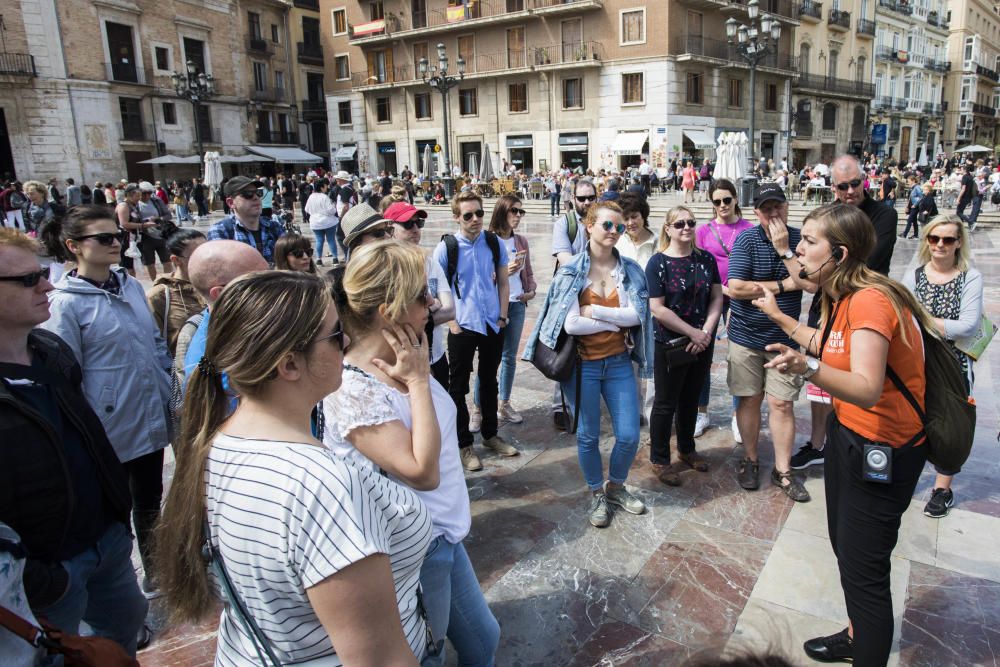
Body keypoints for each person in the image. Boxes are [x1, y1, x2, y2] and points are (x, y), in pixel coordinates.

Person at [156, 270, 433, 665]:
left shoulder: (217, 443)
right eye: (336, 336)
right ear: (289, 365)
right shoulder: (320, 485)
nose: (349, 342)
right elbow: (380, 658)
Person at [752, 203, 933, 666]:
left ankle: (865, 645)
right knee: (846, 551)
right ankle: (856, 633)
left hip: (884, 449)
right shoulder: (840, 294)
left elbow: (867, 387)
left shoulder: (870, 300)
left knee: (865, 571)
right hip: (849, 437)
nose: (799, 247)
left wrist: (807, 366)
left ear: (840, 252)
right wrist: (785, 323)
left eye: (810, 241)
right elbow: (830, 345)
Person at [326, 241, 500, 667]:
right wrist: (420, 384)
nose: (431, 304)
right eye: (421, 296)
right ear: (388, 310)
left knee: (483, 640)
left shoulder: (405, 357)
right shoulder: (352, 389)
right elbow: (421, 471)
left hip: (443, 535)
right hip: (413, 550)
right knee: (429, 653)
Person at [0, 228, 148, 656]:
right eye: (28, 280)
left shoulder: (49, 352)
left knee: (120, 640)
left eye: (42, 274)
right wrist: (43, 578)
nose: (47, 285)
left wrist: (119, 521)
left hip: (107, 543)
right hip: (45, 574)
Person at [38, 205, 172, 603]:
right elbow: (65, 370)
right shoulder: (65, 303)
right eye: (104, 238)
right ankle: (121, 592)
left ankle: (157, 572)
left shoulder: (128, 284)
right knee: (115, 509)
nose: (116, 243)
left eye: (118, 236)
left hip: (148, 409)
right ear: (74, 247)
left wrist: (164, 378)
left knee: (149, 498)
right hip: (107, 425)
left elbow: (153, 340)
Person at [523, 201, 654, 528]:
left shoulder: (630, 271)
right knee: (587, 435)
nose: (614, 232)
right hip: (583, 366)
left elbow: (637, 315)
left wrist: (596, 313)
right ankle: (597, 492)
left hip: (620, 363)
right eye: (607, 225)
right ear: (589, 227)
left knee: (628, 435)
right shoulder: (571, 272)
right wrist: (616, 322)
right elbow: (571, 326)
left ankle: (617, 487)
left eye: (619, 227)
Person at [790, 156, 900, 467]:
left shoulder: (882, 215)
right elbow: (805, 278)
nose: (850, 190)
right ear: (833, 187)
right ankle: (820, 442)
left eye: (855, 183)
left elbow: (869, 262)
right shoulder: (830, 216)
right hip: (829, 300)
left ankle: (850, 442)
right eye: (842, 186)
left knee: (850, 370)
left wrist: (806, 367)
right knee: (823, 373)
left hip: (854, 304)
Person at [726, 183, 815, 502]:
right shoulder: (746, 239)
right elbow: (735, 287)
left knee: (781, 403)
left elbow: (809, 284)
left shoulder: (800, 241)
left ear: (787, 207)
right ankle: (750, 459)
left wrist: (785, 251)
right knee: (749, 399)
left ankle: (783, 470)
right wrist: (781, 285)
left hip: (785, 337)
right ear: (756, 212)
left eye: (778, 206)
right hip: (746, 335)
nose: (773, 213)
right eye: (766, 209)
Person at [902, 215, 982, 518]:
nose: (940, 245)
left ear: (958, 243)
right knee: (914, 416)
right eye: (934, 238)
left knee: (950, 424)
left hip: (954, 362)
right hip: (918, 357)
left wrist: (923, 321)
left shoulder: (969, 277)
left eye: (947, 239)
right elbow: (902, 312)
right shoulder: (915, 275)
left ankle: (942, 488)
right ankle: (909, 473)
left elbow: (967, 325)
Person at [434, 191, 519, 471]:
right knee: (457, 385)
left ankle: (491, 434)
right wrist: (451, 323)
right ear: (457, 217)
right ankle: (463, 444)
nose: (475, 219)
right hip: (463, 324)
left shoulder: (493, 242)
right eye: (468, 215)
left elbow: (504, 283)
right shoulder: (447, 247)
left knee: (489, 380)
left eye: (479, 213)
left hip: (492, 322)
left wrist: (503, 316)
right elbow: (436, 290)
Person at [646, 206, 723, 486]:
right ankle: (660, 458)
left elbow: (716, 297)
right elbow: (657, 308)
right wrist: (692, 332)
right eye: (679, 224)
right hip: (672, 342)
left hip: (702, 341)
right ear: (668, 229)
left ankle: (687, 448)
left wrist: (705, 332)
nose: (686, 228)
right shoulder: (658, 263)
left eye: (690, 222)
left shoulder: (705, 259)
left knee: (691, 398)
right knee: (666, 402)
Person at [695, 179, 755, 440]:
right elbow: (698, 266)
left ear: (735, 199)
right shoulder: (703, 231)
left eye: (727, 200)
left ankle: (736, 416)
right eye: (717, 201)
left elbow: (753, 265)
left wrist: (736, 291)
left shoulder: (748, 229)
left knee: (739, 356)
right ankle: (701, 411)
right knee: (702, 353)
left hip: (740, 299)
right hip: (710, 297)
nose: (722, 205)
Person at [471, 195, 536, 426]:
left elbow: (528, 272)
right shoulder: (487, 241)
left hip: (517, 304)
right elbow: (478, 279)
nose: (518, 216)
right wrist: (502, 272)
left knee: (509, 357)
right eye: (513, 211)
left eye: (521, 212)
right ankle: (478, 408)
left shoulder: (521, 241)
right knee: (488, 358)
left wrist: (531, 291)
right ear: (502, 212)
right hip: (494, 306)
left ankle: (504, 403)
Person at [178, 240, 269, 388]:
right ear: (221, 294)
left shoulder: (245, 328)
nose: (276, 286)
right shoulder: (219, 363)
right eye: (260, 281)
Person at [384, 201, 455, 389]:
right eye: (408, 224)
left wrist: (418, 317)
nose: (415, 229)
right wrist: (433, 305)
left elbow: (450, 311)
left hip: (436, 356)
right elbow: (392, 322)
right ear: (390, 228)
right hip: (400, 362)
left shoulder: (430, 263)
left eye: (419, 223)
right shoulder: (385, 268)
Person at [550, 178, 598, 430]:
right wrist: (594, 271)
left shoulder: (601, 222)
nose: (587, 202)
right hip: (570, 294)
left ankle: (587, 399)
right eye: (582, 198)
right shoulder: (564, 224)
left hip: (597, 294)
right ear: (573, 200)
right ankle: (560, 406)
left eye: (591, 197)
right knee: (565, 348)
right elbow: (565, 258)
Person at [146, 228, 207, 358]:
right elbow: (153, 343)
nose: (207, 259)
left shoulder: (215, 286)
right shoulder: (159, 296)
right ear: (176, 260)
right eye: (198, 255)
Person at [206, 176, 285, 265]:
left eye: (258, 193)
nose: (255, 198)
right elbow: (221, 268)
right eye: (248, 194)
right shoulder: (221, 231)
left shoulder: (274, 227)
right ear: (231, 203)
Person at [136, 182, 175, 280]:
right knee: (150, 263)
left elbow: (168, 215)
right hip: (145, 236)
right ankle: (155, 283)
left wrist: (158, 218)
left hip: (160, 234)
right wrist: (143, 223)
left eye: (148, 193)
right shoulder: (135, 204)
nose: (146, 196)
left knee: (167, 260)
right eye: (143, 193)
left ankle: (167, 281)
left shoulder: (156, 201)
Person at [305, 178, 340, 265]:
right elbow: (332, 210)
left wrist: (315, 213)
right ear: (321, 187)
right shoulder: (324, 197)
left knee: (319, 240)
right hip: (328, 222)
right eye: (325, 186)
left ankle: (318, 259)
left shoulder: (311, 196)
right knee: (331, 240)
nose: (326, 187)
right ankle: (335, 259)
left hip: (315, 223)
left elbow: (306, 209)